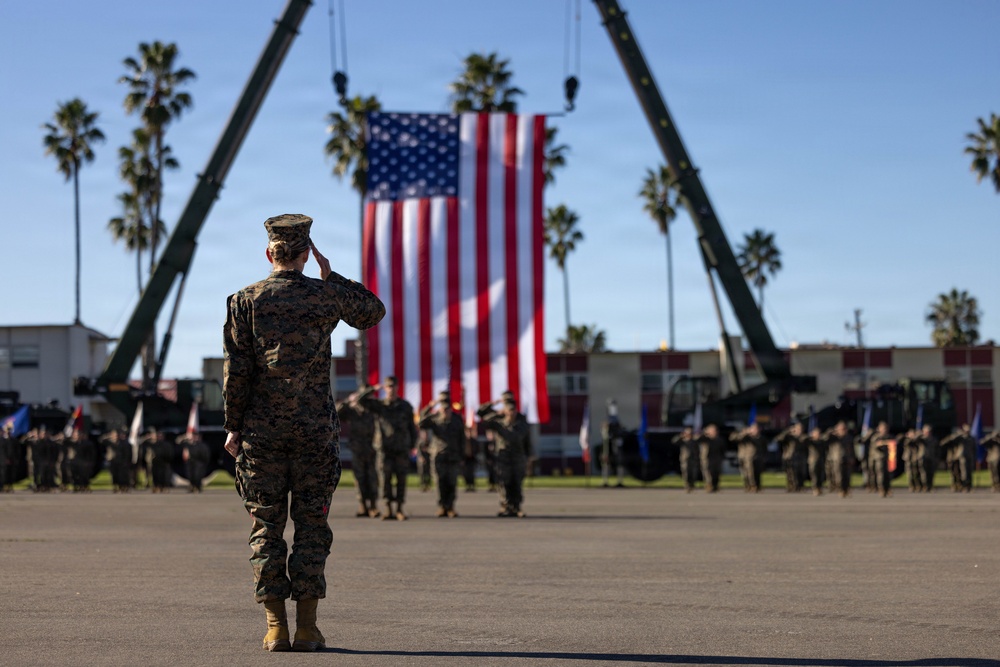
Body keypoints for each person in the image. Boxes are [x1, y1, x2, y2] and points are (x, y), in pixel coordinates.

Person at [222, 213, 384, 652]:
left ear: (269, 252)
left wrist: (233, 427)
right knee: (312, 525)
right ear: (307, 254)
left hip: (260, 435)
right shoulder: (325, 295)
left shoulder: (244, 300)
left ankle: (275, 628)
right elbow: (373, 313)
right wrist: (334, 277)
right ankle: (308, 629)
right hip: (314, 433)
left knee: (265, 528)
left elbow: (236, 374)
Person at [358, 377, 417, 521]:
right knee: (385, 480)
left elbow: (412, 427)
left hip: (401, 449)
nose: (391, 389)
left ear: (397, 387)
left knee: (401, 479)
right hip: (384, 449)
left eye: (393, 386)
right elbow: (361, 401)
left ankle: (399, 509)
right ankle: (388, 509)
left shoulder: (405, 406)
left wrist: (413, 445)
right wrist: (373, 389)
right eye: (388, 386)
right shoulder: (380, 405)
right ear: (385, 388)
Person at [478, 395, 532, 517]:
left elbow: (524, 440)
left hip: (518, 457)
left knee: (516, 482)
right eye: (509, 410)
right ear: (505, 411)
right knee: (503, 482)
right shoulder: (498, 422)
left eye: (513, 410)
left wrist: (528, 456)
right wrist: (494, 405)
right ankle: (506, 506)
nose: (511, 413)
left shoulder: (522, 423)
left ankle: (516, 507)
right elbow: (482, 416)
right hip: (503, 458)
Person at [418, 390, 467, 517]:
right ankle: (442, 507)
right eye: (443, 407)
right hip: (438, 455)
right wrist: (429, 407)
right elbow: (420, 423)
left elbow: (462, 438)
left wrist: (462, 455)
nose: (445, 411)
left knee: (452, 482)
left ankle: (450, 507)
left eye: (447, 408)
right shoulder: (434, 418)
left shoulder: (457, 420)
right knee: (439, 482)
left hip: (453, 456)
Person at [336, 387, 381, 518]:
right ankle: (362, 505)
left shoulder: (373, 410)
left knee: (372, 478)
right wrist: (348, 401)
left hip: (372, 449)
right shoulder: (351, 411)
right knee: (359, 478)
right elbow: (337, 412)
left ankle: (373, 506)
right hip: (357, 450)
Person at [819, 421, 855, 498]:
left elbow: (852, 449)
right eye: (841, 429)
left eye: (844, 429)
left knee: (847, 476)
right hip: (836, 459)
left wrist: (852, 457)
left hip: (847, 458)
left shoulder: (849, 437)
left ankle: (846, 489)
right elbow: (823, 439)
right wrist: (830, 431)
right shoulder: (833, 438)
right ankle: (840, 490)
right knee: (839, 476)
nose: (843, 431)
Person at [730, 423, 764, 493]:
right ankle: (747, 485)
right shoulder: (744, 437)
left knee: (752, 473)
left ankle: (754, 486)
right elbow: (733, 438)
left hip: (753, 458)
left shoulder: (759, 438)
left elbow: (764, 447)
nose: (754, 431)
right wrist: (744, 433)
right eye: (753, 429)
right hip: (742, 457)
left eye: (755, 429)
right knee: (744, 473)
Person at [868, 421, 894, 498]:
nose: (884, 430)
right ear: (879, 429)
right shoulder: (876, 437)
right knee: (880, 475)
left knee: (888, 475)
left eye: (886, 428)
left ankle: (888, 489)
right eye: (883, 428)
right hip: (879, 458)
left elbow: (894, 443)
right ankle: (881, 489)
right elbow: (876, 445)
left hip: (889, 459)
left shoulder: (890, 437)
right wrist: (886, 443)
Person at [697, 424, 725, 492]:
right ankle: (709, 485)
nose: (713, 432)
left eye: (714, 431)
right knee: (707, 473)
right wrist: (704, 433)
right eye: (711, 431)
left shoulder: (719, 440)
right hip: (707, 458)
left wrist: (722, 457)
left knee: (716, 473)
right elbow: (697, 439)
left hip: (717, 458)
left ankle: (715, 486)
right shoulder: (705, 439)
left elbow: (723, 449)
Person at [673, 427, 699, 493]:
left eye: (690, 433)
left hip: (693, 459)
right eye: (687, 433)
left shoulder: (694, 441)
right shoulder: (683, 441)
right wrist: (681, 436)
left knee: (693, 473)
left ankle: (692, 485)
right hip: (685, 459)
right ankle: (687, 486)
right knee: (686, 473)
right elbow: (674, 441)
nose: (689, 434)